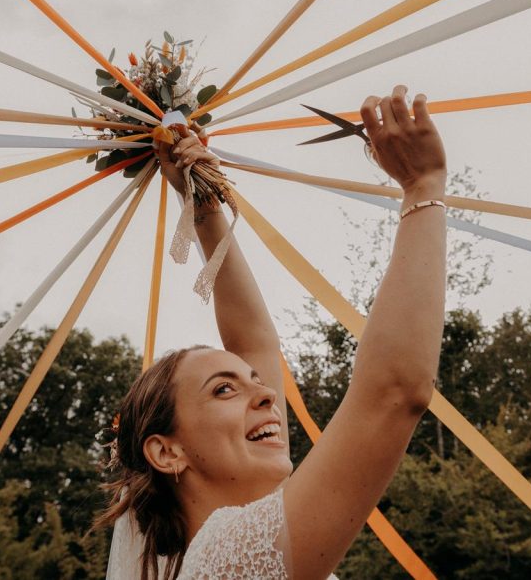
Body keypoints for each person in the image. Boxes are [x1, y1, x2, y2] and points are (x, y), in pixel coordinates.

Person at [97, 85, 448, 580]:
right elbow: (393, 390)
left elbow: (253, 342)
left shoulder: (206, 561)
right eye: (223, 389)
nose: (265, 394)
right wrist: (422, 185)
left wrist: (201, 198)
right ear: (166, 451)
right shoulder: (225, 558)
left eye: (253, 381)